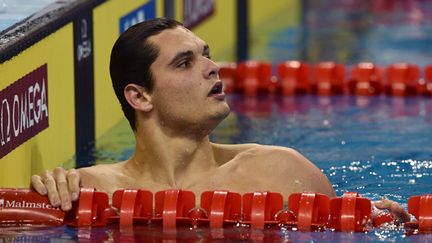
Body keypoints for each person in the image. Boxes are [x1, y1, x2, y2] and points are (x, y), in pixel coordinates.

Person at [30, 18, 409, 224]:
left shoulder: (278, 170)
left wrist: (377, 218)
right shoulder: (89, 190)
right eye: (185, 63)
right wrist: (45, 195)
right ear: (139, 96)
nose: (213, 69)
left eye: (206, 56)